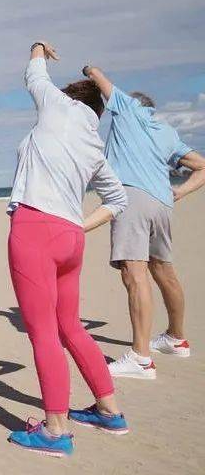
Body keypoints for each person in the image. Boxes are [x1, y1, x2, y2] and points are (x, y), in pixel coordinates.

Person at [3, 41, 130, 457]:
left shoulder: (58, 105)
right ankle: (109, 411)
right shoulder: (93, 143)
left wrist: (38, 46)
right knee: (70, 326)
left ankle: (55, 430)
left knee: (44, 333)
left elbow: (34, 75)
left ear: (69, 98)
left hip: (35, 228)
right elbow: (116, 200)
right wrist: (80, 225)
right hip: (70, 236)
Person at [81, 65, 205, 378]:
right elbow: (201, 167)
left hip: (132, 198)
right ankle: (176, 339)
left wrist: (88, 70)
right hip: (162, 202)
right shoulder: (166, 131)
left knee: (133, 273)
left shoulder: (126, 108)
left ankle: (140, 358)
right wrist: (179, 193)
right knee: (163, 271)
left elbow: (98, 75)